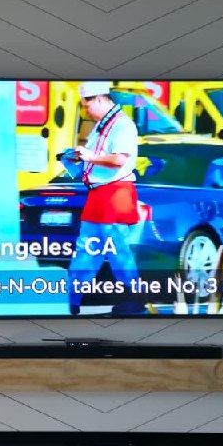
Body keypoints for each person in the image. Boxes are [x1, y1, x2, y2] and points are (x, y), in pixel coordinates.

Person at [67, 81, 141, 315]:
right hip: (99, 194)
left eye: (87, 105)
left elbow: (119, 159)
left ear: (99, 99)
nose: (85, 111)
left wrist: (90, 156)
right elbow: (99, 157)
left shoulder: (123, 126)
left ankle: (134, 297)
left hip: (115, 192)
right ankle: (71, 299)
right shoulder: (102, 126)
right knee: (87, 249)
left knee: (118, 248)